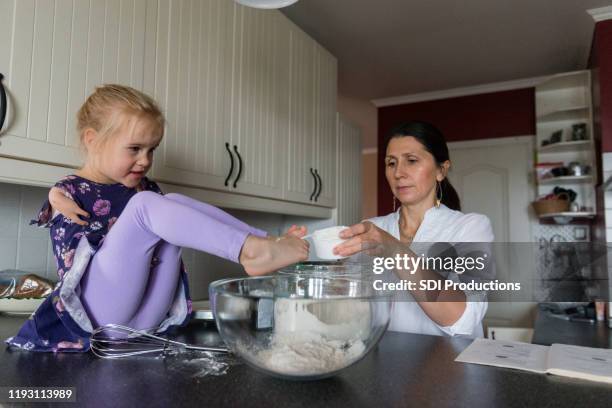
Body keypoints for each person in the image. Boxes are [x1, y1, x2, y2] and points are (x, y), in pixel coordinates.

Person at [6, 84, 309, 352]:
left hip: (145, 319)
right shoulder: (69, 191)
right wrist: (56, 194)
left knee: (172, 203)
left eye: (152, 149)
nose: (146, 160)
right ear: (92, 140)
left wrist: (272, 239)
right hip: (96, 317)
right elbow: (62, 209)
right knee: (147, 204)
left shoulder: (146, 192)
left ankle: (262, 243)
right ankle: (251, 250)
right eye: (135, 148)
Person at [334, 121, 493, 337]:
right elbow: (345, 302)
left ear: (441, 170)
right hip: (385, 362)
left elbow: (463, 318)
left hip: (453, 366)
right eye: (391, 163)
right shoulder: (373, 228)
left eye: (411, 161)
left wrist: (394, 250)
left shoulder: (470, 227)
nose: (398, 173)